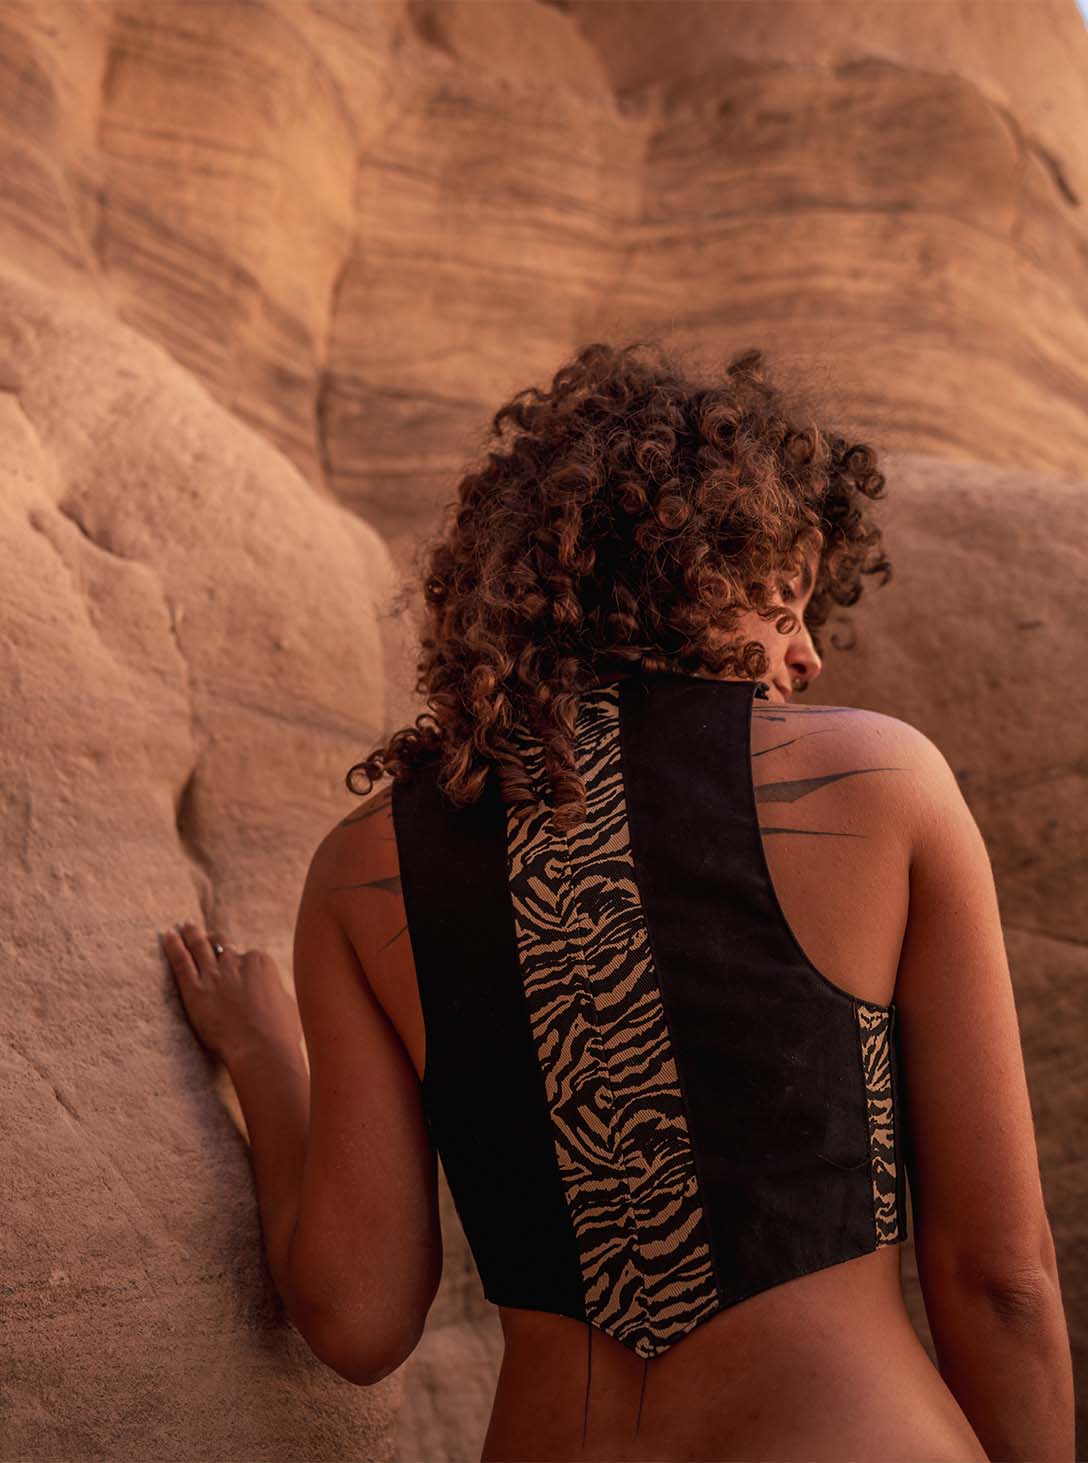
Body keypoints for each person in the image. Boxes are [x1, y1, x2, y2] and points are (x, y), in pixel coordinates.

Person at [162, 342, 1074, 1463]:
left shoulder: (363, 868)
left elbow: (355, 1317)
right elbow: (1000, 1279)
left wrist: (263, 1059)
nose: (808, 655)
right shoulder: (879, 789)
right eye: (781, 606)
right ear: (691, 575)